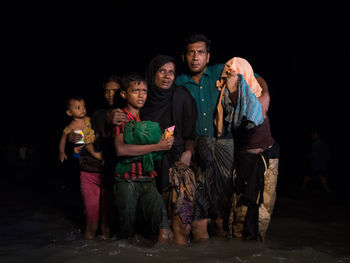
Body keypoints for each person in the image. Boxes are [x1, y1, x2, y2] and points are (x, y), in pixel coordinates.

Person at [175, 33, 271, 241]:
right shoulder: (178, 83)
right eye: (191, 53)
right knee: (199, 205)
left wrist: (265, 94)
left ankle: (223, 246)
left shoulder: (221, 70)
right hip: (196, 149)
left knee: (224, 207)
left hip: (225, 145)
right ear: (184, 57)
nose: (195, 57)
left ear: (208, 56)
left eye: (200, 52)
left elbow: (254, 75)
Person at [215, 57, 279, 242]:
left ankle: (254, 251)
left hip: (266, 157)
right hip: (245, 159)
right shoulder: (230, 95)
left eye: (235, 73)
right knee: (239, 214)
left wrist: (264, 93)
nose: (230, 76)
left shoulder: (254, 96)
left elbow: (251, 115)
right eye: (228, 72)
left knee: (261, 213)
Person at [142, 54, 198, 245]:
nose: (167, 76)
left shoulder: (181, 96)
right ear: (153, 74)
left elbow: (190, 135)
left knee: (183, 224)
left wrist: (188, 153)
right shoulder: (142, 97)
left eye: (171, 72)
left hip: (177, 163)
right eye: (162, 71)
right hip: (148, 166)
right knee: (156, 230)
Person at [113, 73, 174, 244]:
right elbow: (120, 149)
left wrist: (164, 142)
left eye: (144, 91)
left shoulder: (144, 121)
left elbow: (152, 152)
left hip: (148, 181)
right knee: (127, 236)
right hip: (127, 182)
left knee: (165, 229)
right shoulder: (121, 118)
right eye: (136, 91)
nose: (141, 95)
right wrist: (158, 146)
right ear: (124, 94)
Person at [58, 96, 109, 240]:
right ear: (69, 112)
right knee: (92, 221)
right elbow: (64, 137)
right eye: (78, 107)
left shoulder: (89, 119)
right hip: (83, 156)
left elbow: (96, 132)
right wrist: (62, 151)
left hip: (93, 152)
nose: (82, 110)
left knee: (107, 222)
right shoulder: (71, 126)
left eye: (83, 107)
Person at [301, 128, 331, 194]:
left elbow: (313, 155)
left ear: (317, 135)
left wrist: (307, 157)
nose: (312, 136)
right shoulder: (323, 143)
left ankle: (302, 191)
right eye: (312, 135)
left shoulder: (316, 144)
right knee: (321, 177)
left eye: (314, 135)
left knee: (308, 177)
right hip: (321, 164)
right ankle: (327, 191)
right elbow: (327, 155)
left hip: (315, 164)